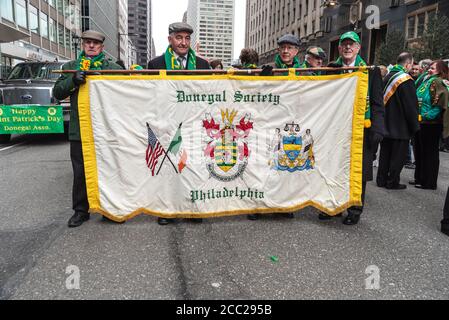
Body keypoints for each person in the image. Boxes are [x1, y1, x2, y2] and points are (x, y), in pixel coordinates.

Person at [53, 30, 123, 228]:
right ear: (82, 45)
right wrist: (72, 81)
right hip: (80, 128)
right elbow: (57, 93)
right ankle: (80, 210)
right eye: (87, 43)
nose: (91, 46)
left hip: (107, 128)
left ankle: (109, 208)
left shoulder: (112, 68)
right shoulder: (69, 67)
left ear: (102, 47)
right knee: (80, 171)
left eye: (95, 43)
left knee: (108, 168)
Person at [319, 31, 385, 225]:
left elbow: (377, 102)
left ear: (358, 48)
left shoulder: (370, 71)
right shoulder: (331, 69)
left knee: (358, 171)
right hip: (336, 127)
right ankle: (333, 207)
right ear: (339, 48)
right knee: (333, 168)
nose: (348, 47)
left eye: (352, 44)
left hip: (361, 128)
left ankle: (355, 210)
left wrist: (378, 129)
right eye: (344, 44)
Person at [147, 22, 210, 225]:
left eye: (187, 38)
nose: (183, 42)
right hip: (167, 124)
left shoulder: (202, 65)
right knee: (168, 168)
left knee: (193, 168)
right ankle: (167, 210)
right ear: (170, 40)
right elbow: (150, 96)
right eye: (179, 38)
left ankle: (193, 208)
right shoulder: (155, 64)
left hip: (193, 124)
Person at [376, 52, 419, 190]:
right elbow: (411, 106)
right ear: (407, 64)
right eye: (411, 65)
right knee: (397, 156)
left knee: (385, 153)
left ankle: (381, 179)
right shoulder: (405, 79)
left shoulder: (387, 76)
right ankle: (392, 182)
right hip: (400, 125)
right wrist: (415, 126)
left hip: (385, 123)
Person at [411, 60, 449, 190]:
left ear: (440, 70)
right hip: (422, 121)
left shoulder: (439, 82)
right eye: (430, 67)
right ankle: (420, 178)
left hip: (431, 124)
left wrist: (426, 116)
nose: (429, 70)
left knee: (429, 153)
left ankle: (429, 182)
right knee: (420, 152)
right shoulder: (427, 80)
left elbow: (440, 105)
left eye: (433, 68)